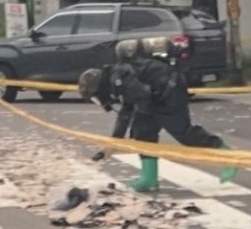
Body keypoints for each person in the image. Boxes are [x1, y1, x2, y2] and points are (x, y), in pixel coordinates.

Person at [78, 37, 237, 192]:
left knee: (185, 133)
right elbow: (127, 110)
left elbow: (142, 97)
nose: (100, 101)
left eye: (95, 98)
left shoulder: (118, 79)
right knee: (143, 132)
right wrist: (114, 143)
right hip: (158, 95)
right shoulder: (115, 78)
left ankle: (229, 157)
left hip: (169, 91)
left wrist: (139, 120)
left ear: (98, 89)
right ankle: (149, 179)